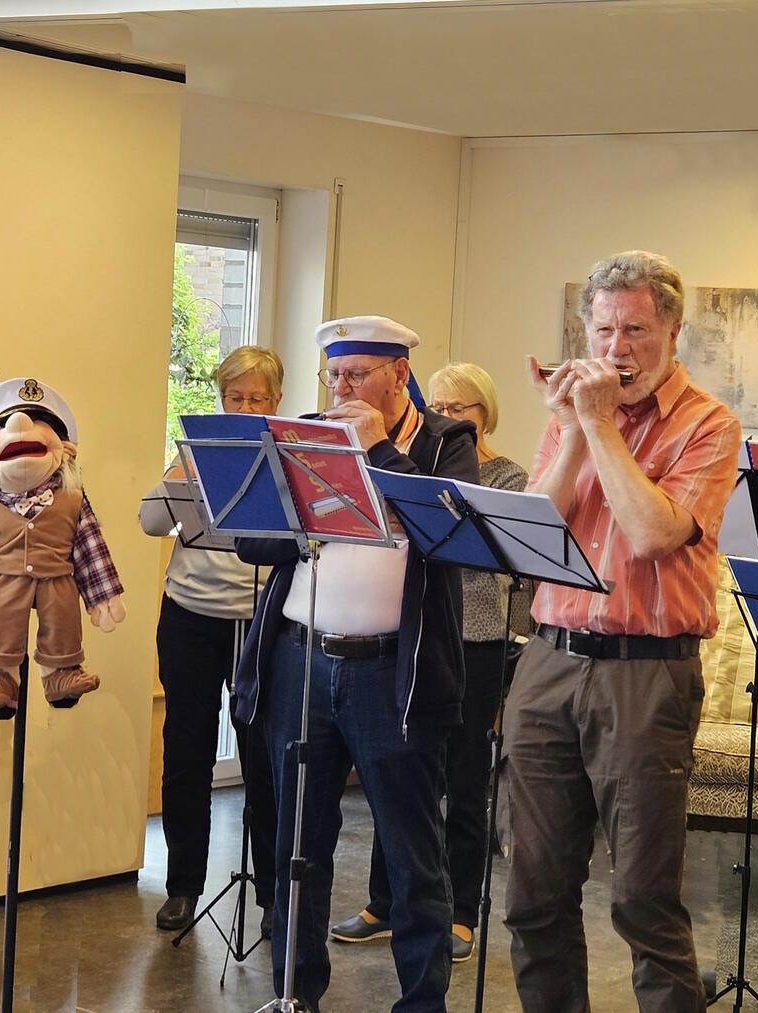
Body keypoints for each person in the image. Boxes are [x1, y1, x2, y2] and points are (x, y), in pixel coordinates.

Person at [504, 250, 742, 1012]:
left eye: (635, 329)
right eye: (603, 329)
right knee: (533, 894)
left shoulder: (708, 422)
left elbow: (651, 532)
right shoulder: (575, 414)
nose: (616, 349)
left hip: (646, 671)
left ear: (673, 330)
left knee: (643, 901)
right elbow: (532, 534)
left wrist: (601, 425)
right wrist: (574, 429)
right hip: (547, 660)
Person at [233, 316, 479, 1012]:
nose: (341, 388)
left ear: (400, 375)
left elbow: (446, 535)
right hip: (300, 661)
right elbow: (254, 544)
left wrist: (375, 454)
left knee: (411, 851)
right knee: (296, 843)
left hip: (391, 674)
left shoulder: (444, 442)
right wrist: (300, 509)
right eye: (334, 375)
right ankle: (295, 991)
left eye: (357, 374)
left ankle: (421, 1001)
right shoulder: (305, 435)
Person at [331, 361, 532, 963]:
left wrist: (516, 641)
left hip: (478, 638)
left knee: (465, 779)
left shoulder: (505, 475)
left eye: (462, 408)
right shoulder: (408, 458)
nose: (448, 416)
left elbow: (506, 568)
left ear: (484, 414)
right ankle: (384, 902)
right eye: (440, 404)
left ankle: (462, 913)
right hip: (422, 635)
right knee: (396, 773)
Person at [138, 346, 282, 935]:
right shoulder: (191, 455)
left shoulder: (286, 456)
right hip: (190, 616)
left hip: (259, 620)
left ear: (275, 402)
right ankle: (182, 886)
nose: (245, 407)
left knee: (265, 759)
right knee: (187, 751)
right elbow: (150, 523)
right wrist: (182, 472)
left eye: (256, 398)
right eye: (234, 398)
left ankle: (274, 895)